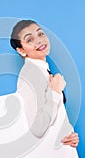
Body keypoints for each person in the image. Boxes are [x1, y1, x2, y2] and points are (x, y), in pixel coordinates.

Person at [10, 20, 79, 148]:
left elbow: (52, 118)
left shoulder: (41, 70)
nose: (39, 41)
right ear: (21, 51)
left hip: (60, 156)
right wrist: (56, 92)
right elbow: (38, 128)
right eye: (30, 40)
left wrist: (68, 134)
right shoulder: (31, 75)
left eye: (40, 34)